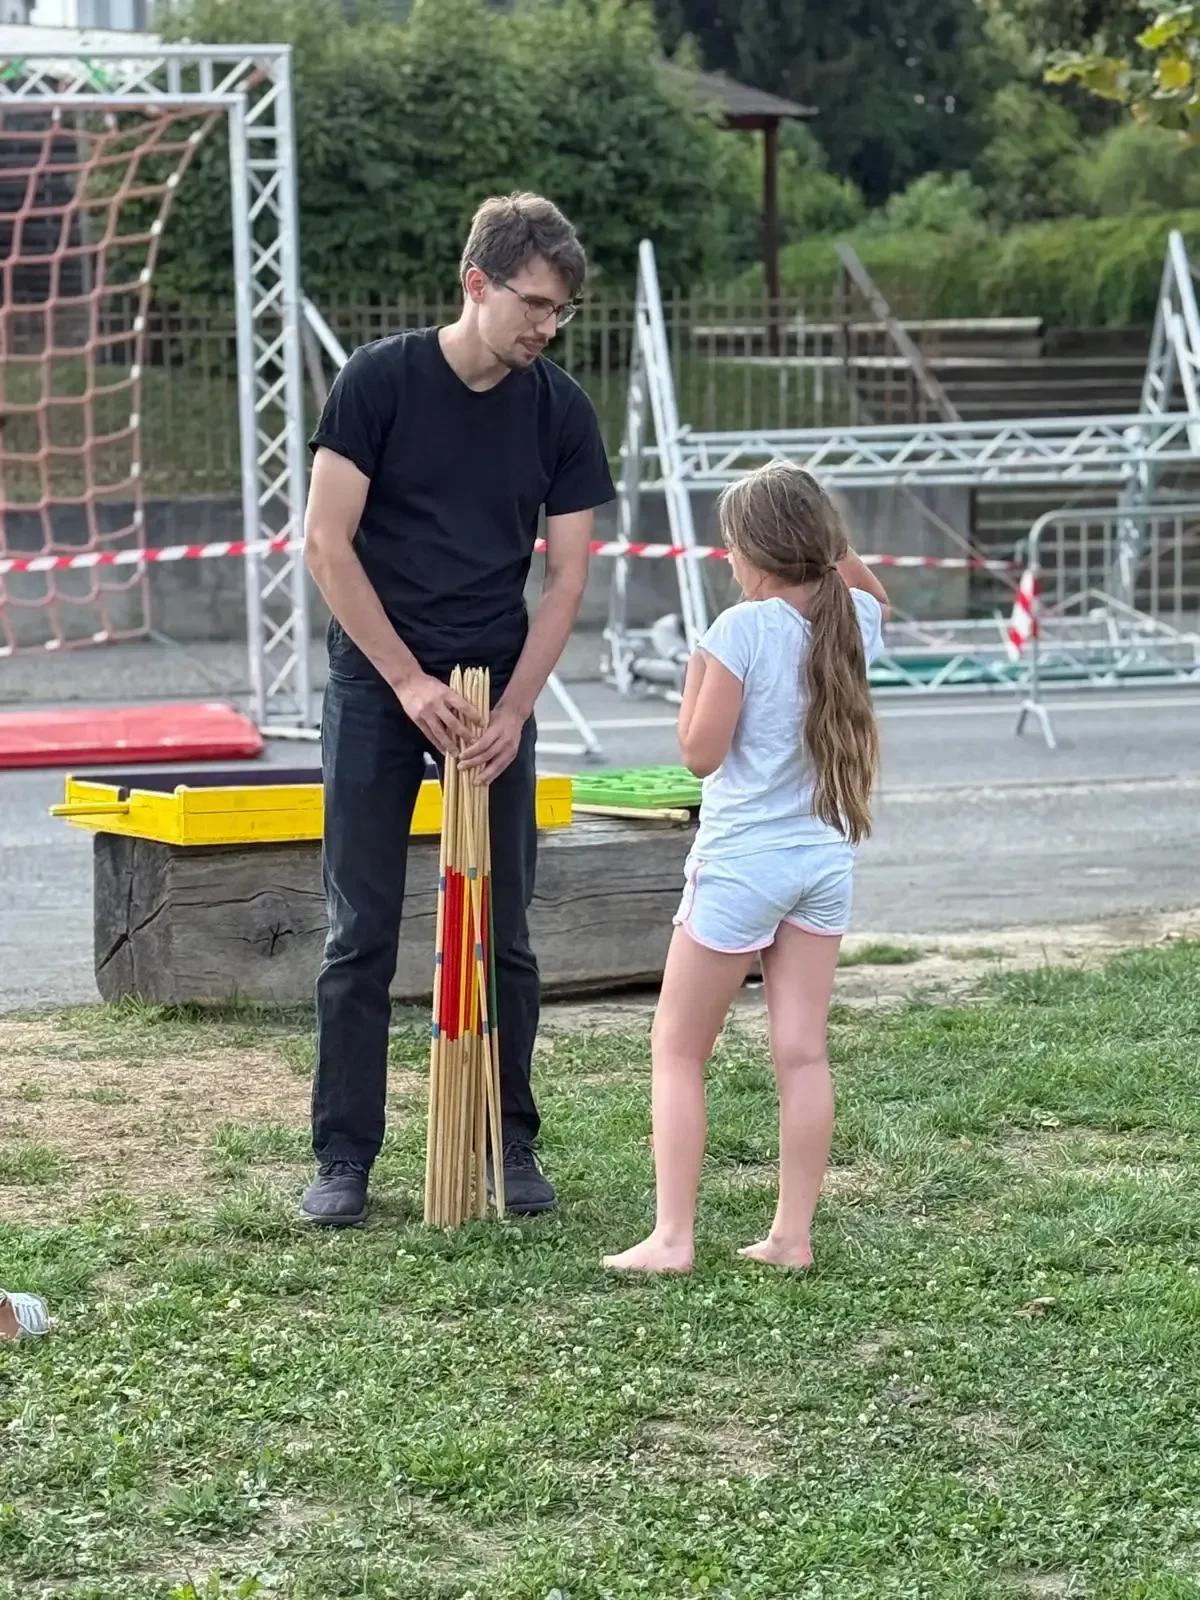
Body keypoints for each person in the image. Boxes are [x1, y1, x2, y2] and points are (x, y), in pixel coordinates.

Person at [300, 193, 615, 1227]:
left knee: (504, 928)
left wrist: (516, 709)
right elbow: (326, 544)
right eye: (533, 304)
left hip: (491, 696)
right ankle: (344, 1157)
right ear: (476, 283)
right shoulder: (379, 382)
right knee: (362, 931)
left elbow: (565, 579)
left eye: (561, 312)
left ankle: (509, 1141)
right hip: (379, 680)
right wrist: (402, 680)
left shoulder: (559, 408)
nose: (545, 327)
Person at [603, 459, 890, 1275]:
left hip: (740, 867)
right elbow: (864, 583)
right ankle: (791, 1237)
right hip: (822, 861)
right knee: (802, 1052)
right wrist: (822, 525)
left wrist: (697, 668)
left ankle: (672, 1237)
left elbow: (699, 753)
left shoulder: (737, 631)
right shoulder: (856, 619)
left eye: (731, 544)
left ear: (753, 551)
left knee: (679, 1049)